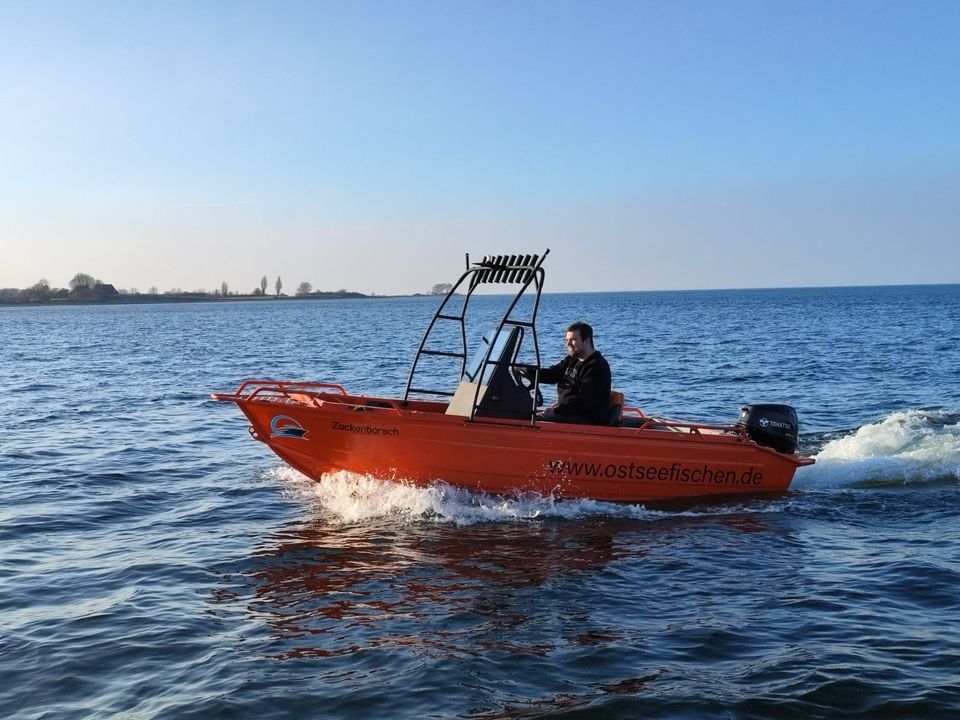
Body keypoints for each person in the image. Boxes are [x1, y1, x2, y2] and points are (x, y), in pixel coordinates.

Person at [534, 322, 611, 424]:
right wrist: (527, 371)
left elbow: (584, 402)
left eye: (573, 340)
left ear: (587, 341)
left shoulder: (597, 367)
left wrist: (555, 411)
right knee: (524, 414)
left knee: (531, 422)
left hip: (586, 419)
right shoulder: (571, 359)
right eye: (567, 340)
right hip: (567, 414)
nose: (568, 344)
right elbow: (551, 374)